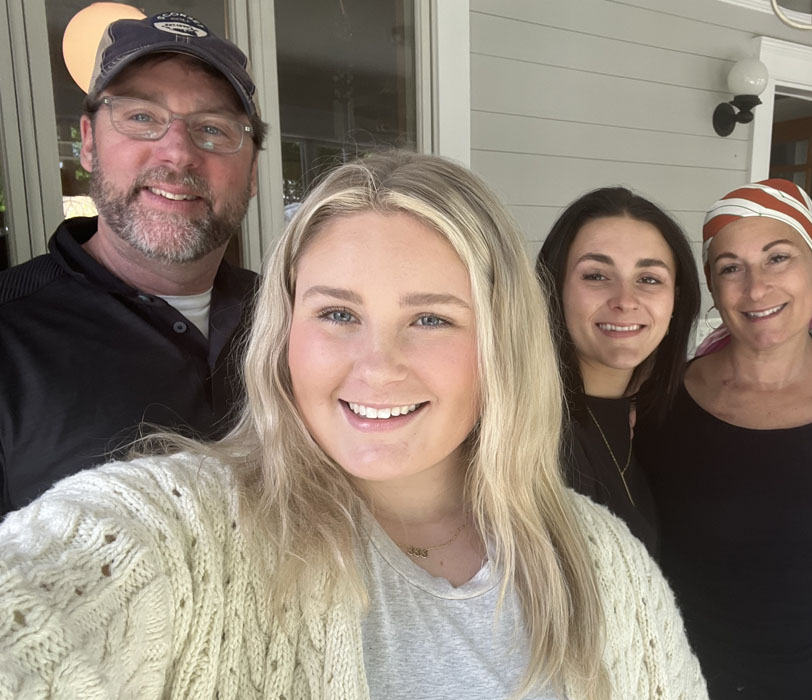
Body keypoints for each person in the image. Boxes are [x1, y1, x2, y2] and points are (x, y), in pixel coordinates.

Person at [0, 152, 707, 699]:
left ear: (500, 346)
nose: (377, 366)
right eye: (337, 314)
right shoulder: (180, 533)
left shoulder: (603, 559)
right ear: (284, 333)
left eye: (430, 319)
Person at [634, 179, 812, 699]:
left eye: (778, 258)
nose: (755, 288)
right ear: (713, 289)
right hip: (679, 684)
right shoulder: (659, 400)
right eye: (731, 268)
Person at [0, 11, 266, 515]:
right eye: (142, 117)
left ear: (251, 171)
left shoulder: (294, 316)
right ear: (89, 142)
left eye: (213, 128)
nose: (178, 153)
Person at [536, 187, 700, 554]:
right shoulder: (536, 439)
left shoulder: (655, 418)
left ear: (676, 299)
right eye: (595, 275)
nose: (625, 301)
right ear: (553, 288)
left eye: (649, 279)